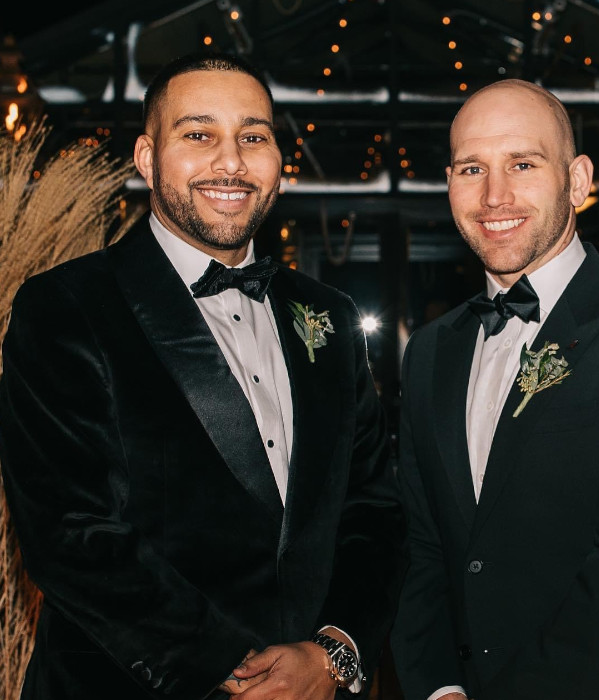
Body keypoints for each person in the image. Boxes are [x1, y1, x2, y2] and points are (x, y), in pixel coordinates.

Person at [0, 51, 407, 700]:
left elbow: (374, 509)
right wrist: (236, 669)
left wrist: (333, 652)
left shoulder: (327, 317)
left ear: (278, 160)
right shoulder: (65, 307)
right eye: (198, 134)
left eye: (254, 136)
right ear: (145, 157)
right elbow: (72, 533)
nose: (231, 161)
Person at [390, 78, 599, 700]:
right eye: (471, 168)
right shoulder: (429, 352)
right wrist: (437, 687)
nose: (494, 195)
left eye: (523, 164)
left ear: (578, 181)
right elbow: (422, 547)